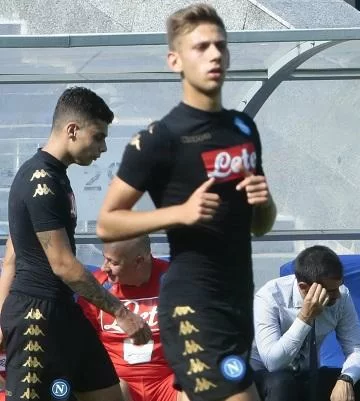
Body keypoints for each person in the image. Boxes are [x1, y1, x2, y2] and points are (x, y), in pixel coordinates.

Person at [95, 3, 277, 401]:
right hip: (192, 303)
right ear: (175, 60)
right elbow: (107, 222)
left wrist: (264, 203)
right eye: (200, 47)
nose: (214, 55)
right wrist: (180, 213)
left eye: (220, 45)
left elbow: (260, 226)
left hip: (235, 301)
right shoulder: (159, 139)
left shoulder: (243, 129)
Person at [0, 87, 151, 401]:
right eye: (98, 137)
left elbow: (13, 255)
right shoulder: (40, 181)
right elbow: (63, 265)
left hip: (65, 313)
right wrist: (121, 313)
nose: (103, 147)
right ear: (72, 130)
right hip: (36, 317)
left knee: (109, 395)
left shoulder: (56, 177)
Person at [250, 245, 360, 401]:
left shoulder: (341, 296)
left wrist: (346, 378)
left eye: (339, 286)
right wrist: (305, 318)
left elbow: (358, 349)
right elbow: (273, 363)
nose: (337, 295)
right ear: (304, 288)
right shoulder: (269, 297)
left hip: (308, 376)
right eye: (331, 291)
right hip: (266, 379)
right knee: (282, 383)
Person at [77, 235, 189, 401]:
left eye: (112, 262)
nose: (104, 267)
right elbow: (82, 346)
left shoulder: (174, 281)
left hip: (167, 381)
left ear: (139, 261)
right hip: (117, 383)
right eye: (104, 258)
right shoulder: (97, 288)